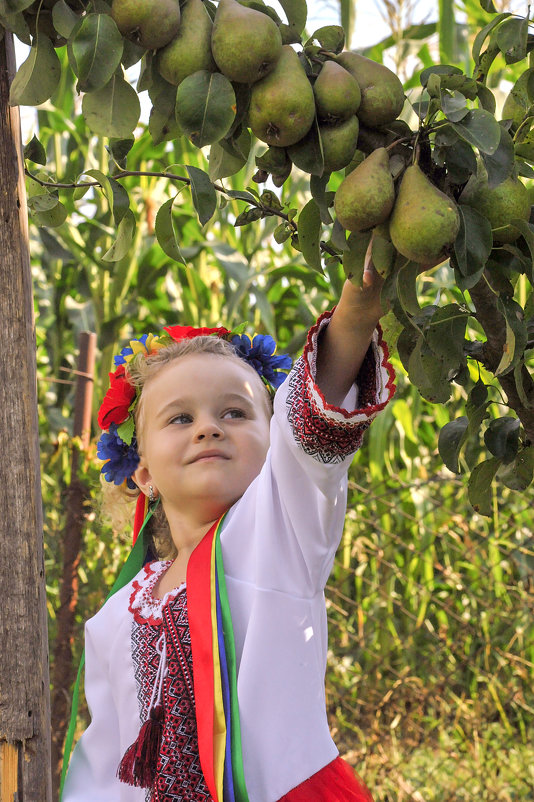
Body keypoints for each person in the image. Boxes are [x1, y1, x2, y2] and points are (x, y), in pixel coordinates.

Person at [62, 267, 395, 802]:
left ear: (272, 445)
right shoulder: (114, 617)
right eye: (179, 419)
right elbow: (104, 770)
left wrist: (355, 312)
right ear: (142, 471)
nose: (208, 427)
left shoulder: (281, 532)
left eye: (235, 412)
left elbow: (307, 433)